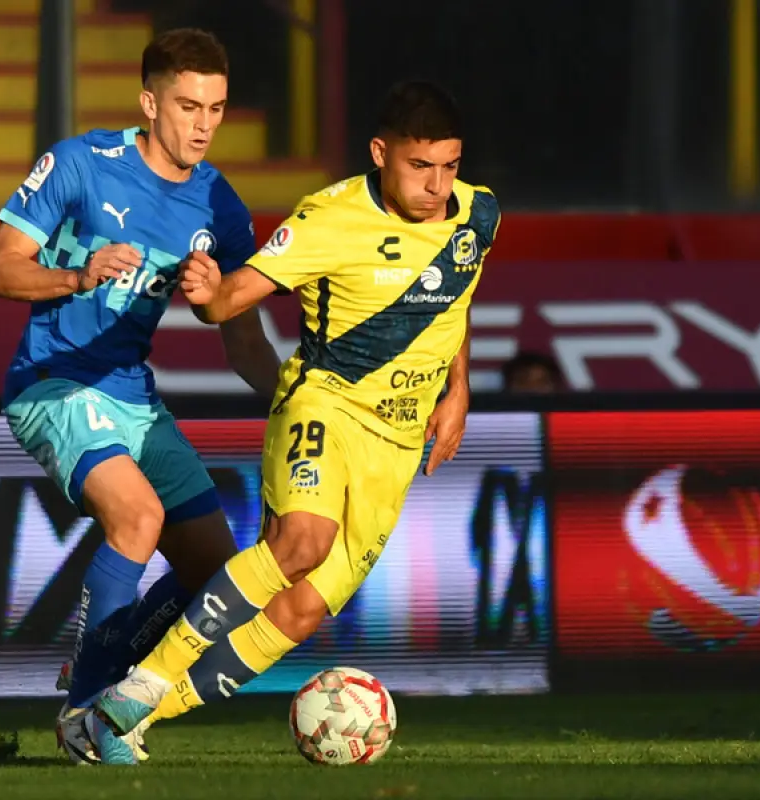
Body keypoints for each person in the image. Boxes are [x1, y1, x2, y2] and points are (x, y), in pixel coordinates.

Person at [83, 79, 501, 765]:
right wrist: (209, 294)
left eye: (449, 166)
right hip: (325, 404)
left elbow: (453, 300)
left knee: (301, 610)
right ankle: (148, 677)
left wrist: (458, 392)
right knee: (300, 542)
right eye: (419, 166)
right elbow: (231, 299)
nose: (436, 185)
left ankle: (130, 717)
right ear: (379, 153)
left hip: (394, 446)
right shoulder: (329, 218)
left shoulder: (478, 215)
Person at [0, 27, 281, 762]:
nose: (203, 124)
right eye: (187, 105)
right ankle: (88, 710)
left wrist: (290, 396)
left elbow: (238, 333)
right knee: (138, 519)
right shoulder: (81, 164)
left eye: (215, 108)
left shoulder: (218, 204)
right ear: (150, 103)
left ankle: (102, 664)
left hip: (134, 397)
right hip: (54, 384)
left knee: (219, 571)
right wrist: (78, 277)